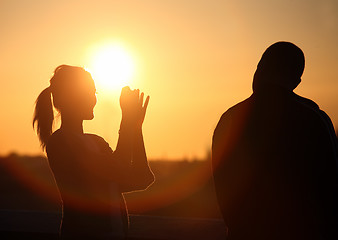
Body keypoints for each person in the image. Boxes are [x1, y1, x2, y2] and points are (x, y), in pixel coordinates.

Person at [212, 42, 338, 240]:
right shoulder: (314, 119)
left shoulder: (230, 119)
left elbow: (224, 192)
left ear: (259, 70)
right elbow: (330, 192)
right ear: (296, 81)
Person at [33, 65, 154, 239]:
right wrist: (127, 121)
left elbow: (141, 178)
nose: (93, 99)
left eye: (94, 92)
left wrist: (136, 127)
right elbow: (119, 168)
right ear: (70, 98)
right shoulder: (61, 142)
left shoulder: (96, 141)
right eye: (88, 92)